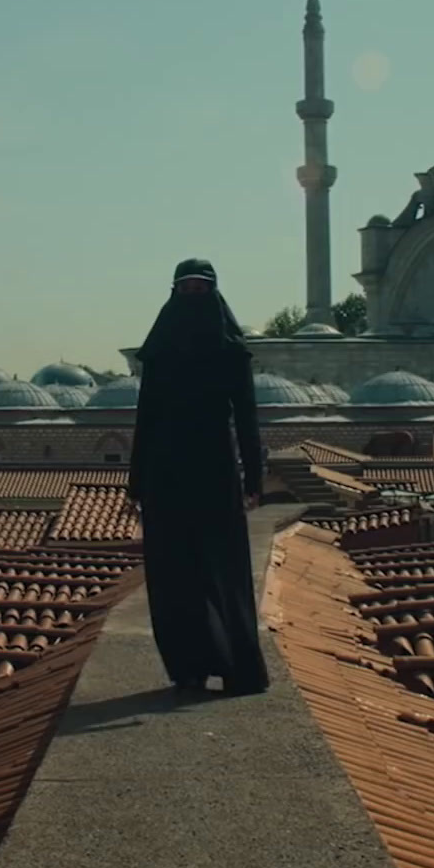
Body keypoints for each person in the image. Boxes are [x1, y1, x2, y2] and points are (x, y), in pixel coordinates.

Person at [127, 258, 270, 696]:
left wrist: (253, 479)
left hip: (214, 468)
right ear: (174, 293)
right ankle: (187, 667)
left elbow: (246, 416)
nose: (192, 299)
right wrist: (136, 481)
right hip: (165, 470)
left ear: (212, 293)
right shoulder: (159, 351)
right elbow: (146, 418)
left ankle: (235, 666)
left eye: (199, 290)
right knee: (174, 571)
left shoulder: (230, 350)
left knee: (220, 568)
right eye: (185, 290)